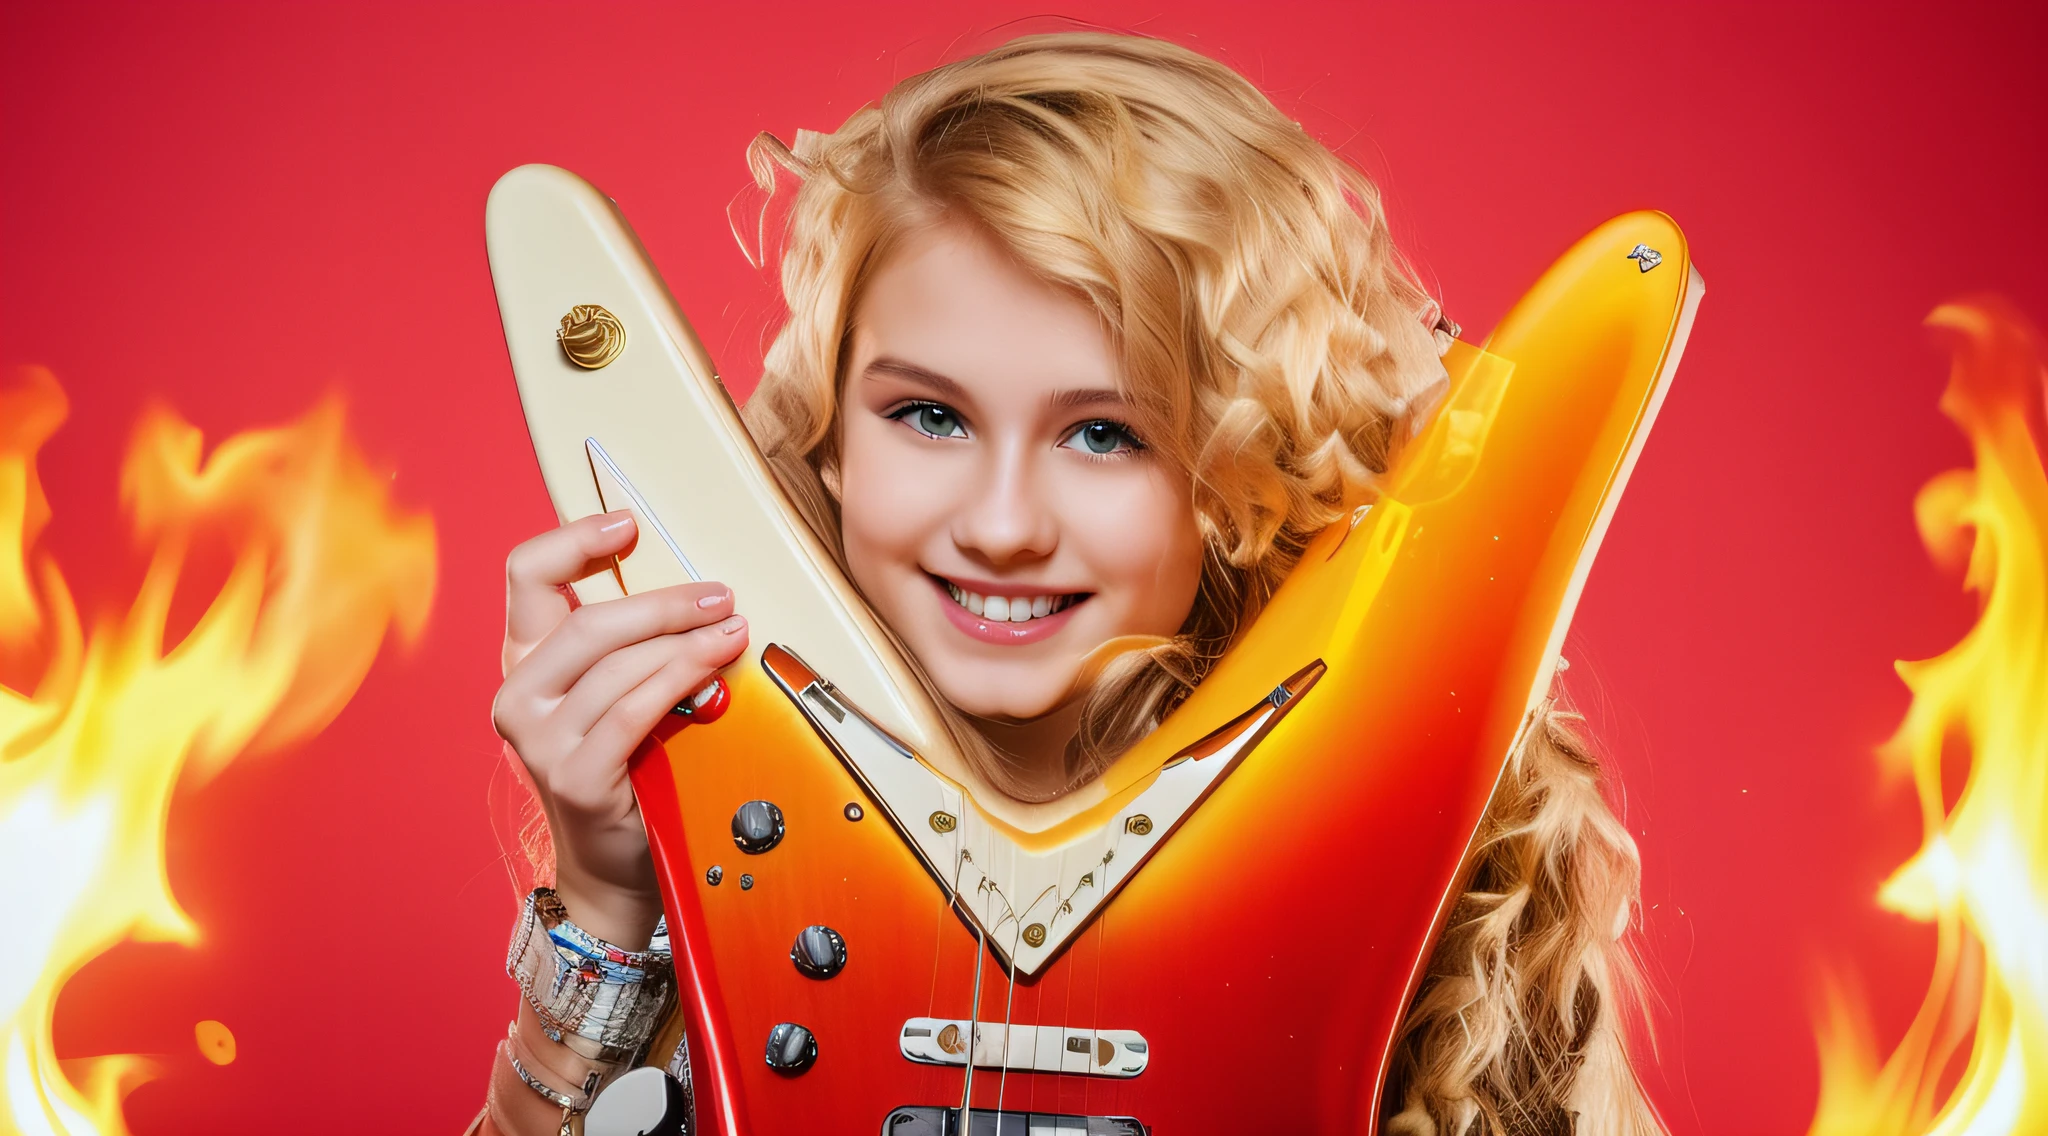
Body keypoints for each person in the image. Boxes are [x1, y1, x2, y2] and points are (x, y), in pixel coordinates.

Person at [477, 32, 1663, 1136]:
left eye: (1104, 435)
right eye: (928, 415)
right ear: (829, 436)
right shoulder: (718, 834)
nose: (999, 526)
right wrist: (607, 896)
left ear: (1250, 465)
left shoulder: (1418, 876)